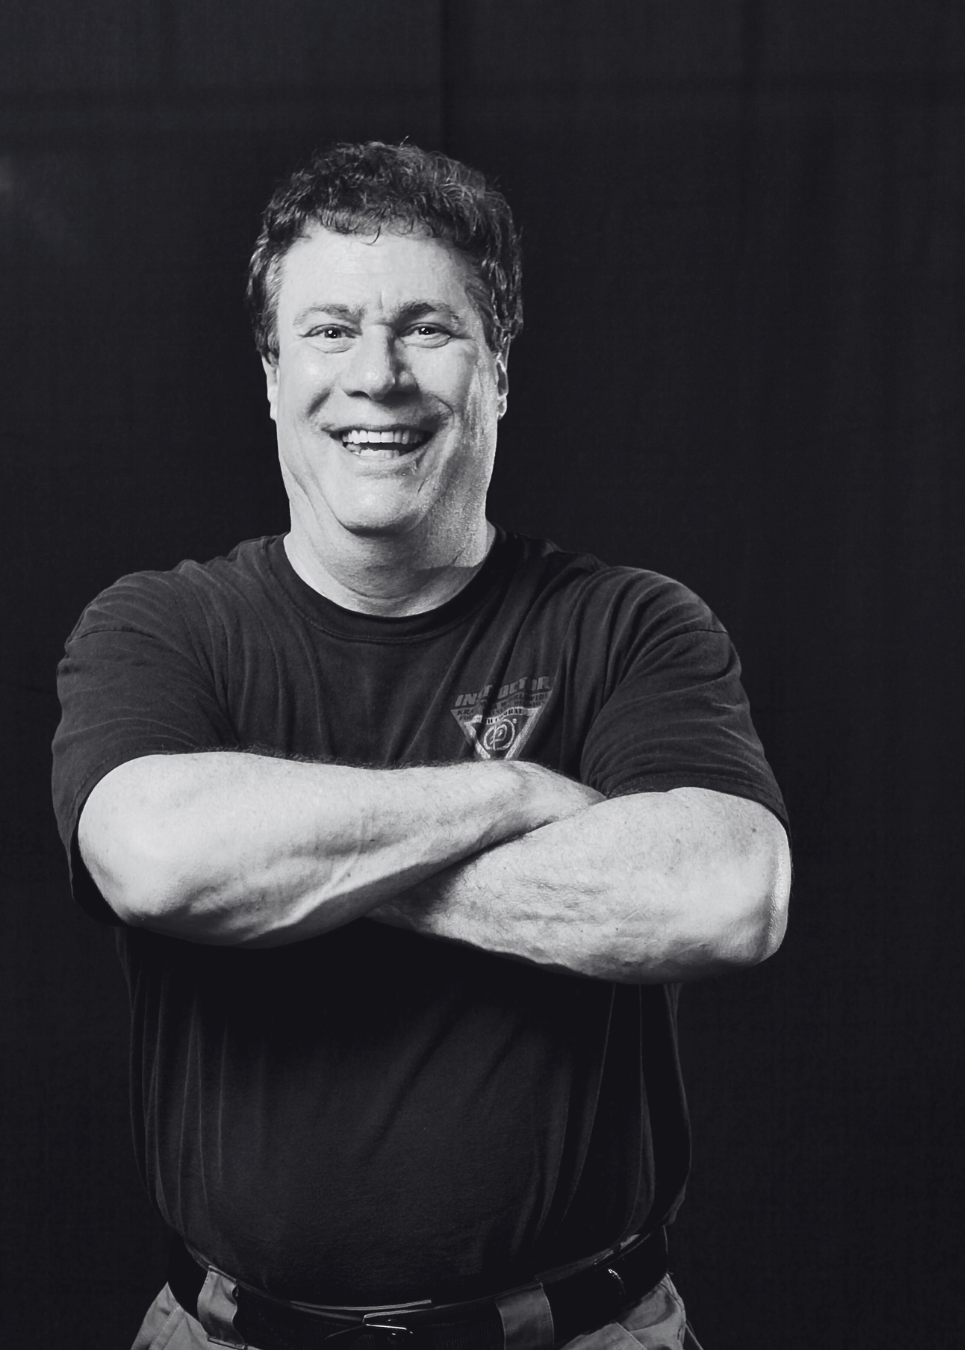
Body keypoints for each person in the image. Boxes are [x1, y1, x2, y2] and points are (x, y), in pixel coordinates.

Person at [52, 141, 790, 1350]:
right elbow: (157, 859)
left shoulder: (629, 624)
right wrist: (513, 794)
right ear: (273, 376)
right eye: (330, 331)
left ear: (497, 373)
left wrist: (293, 875)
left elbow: (727, 894)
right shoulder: (162, 628)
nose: (377, 377)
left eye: (428, 330)